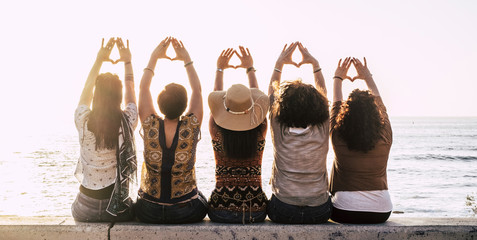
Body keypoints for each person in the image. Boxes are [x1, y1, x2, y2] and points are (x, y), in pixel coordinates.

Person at [135, 37, 207, 224]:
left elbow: (143, 87)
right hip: (185, 211)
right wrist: (186, 60)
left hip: (148, 210)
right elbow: (197, 90)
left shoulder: (150, 124)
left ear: (159, 104)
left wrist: (154, 57)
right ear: (185, 105)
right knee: (203, 199)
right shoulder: (190, 127)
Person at [72, 38, 138, 222]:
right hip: (117, 209)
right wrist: (127, 61)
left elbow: (87, 88)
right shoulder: (127, 121)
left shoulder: (82, 120)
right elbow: (131, 88)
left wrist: (99, 59)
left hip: (85, 209)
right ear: (118, 97)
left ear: (96, 95)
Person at [266, 42, 332, 224]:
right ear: (318, 105)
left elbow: (271, 95)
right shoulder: (321, 129)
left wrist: (279, 64)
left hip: (283, 208)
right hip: (319, 210)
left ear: (283, 106)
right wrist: (315, 65)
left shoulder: (279, 128)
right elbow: (324, 97)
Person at [208, 47, 270, 224]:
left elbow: (214, 108)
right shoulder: (259, 133)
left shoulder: (216, 133)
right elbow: (259, 107)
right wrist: (250, 68)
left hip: (220, 209)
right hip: (255, 210)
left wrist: (219, 69)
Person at [329, 57, 393, 224]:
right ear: (374, 113)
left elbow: (335, 105)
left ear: (345, 113)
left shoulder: (337, 136)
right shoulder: (385, 136)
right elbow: (381, 106)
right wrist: (367, 77)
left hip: (344, 211)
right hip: (381, 211)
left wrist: (338, 78)